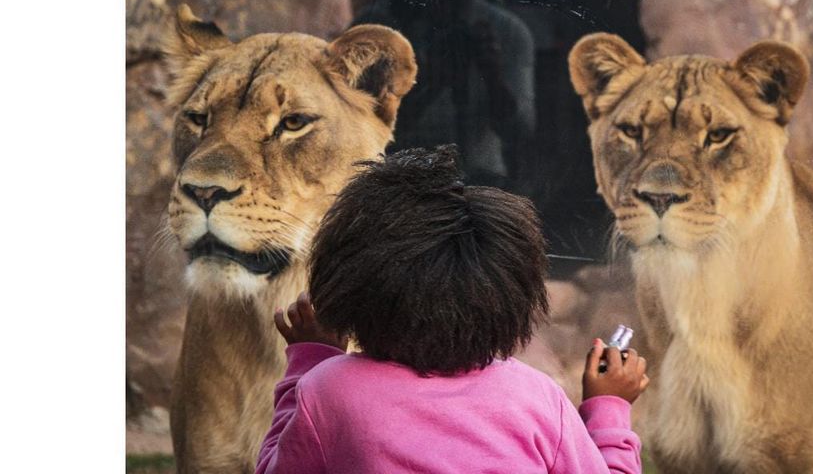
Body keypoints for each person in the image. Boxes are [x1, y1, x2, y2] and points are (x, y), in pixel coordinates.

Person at [255, 146, 649, 473]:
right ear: (514, 300)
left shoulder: (329, 391)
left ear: (349, 287)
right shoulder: (535, 397)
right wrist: (608, 406)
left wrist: (309, 360)